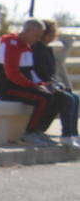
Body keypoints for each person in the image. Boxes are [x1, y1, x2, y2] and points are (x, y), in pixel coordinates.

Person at [0, 19, 60, 146]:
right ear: (27, 31)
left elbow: (30, 72)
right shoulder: (11, 45)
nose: (38, 39)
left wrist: (43, 84)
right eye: (36, 35)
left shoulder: (27, 47)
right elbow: (12, 75)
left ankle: (39, 131)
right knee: (43, 98)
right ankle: (29, 133)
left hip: (22, 87)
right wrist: (34, 86)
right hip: (9, 89)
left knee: (56, 96)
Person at [32, 20, 80, 148]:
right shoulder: (36, 49)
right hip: (41, 85)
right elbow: (39, 72)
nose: (55, 35)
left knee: (75, 97)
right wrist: (51, 84)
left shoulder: (46, 49)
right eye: (53, 32)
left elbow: (51, 73)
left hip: (49, 83)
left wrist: (57, 84)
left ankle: (73, 134)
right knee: (67, 99)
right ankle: (66, 135)